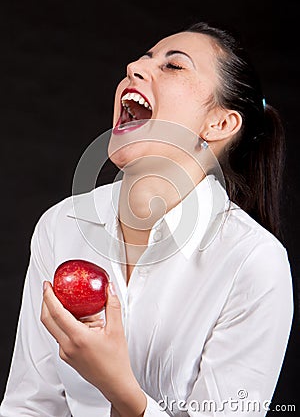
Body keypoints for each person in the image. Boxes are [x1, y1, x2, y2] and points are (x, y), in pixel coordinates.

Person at [0, 21, 293, 417]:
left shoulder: (254, 263)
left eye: (174, 66)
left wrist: (121, 390)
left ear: (220, 124)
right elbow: (29, 406)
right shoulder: (62, 226)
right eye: (143, 58)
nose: (133, 69)